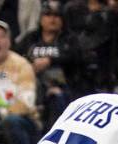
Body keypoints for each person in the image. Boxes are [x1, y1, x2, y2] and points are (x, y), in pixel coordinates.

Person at [16, 1, 84, 129]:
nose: (53, 19)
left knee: (55, 96)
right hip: (32, 87)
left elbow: (77, 58)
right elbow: (15, 57)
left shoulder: (69, 39)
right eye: (48, 15)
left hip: (64, 89)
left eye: (57, 16)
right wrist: (29, 66)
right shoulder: (31, 38)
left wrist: (50, 61)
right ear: (41, 19)